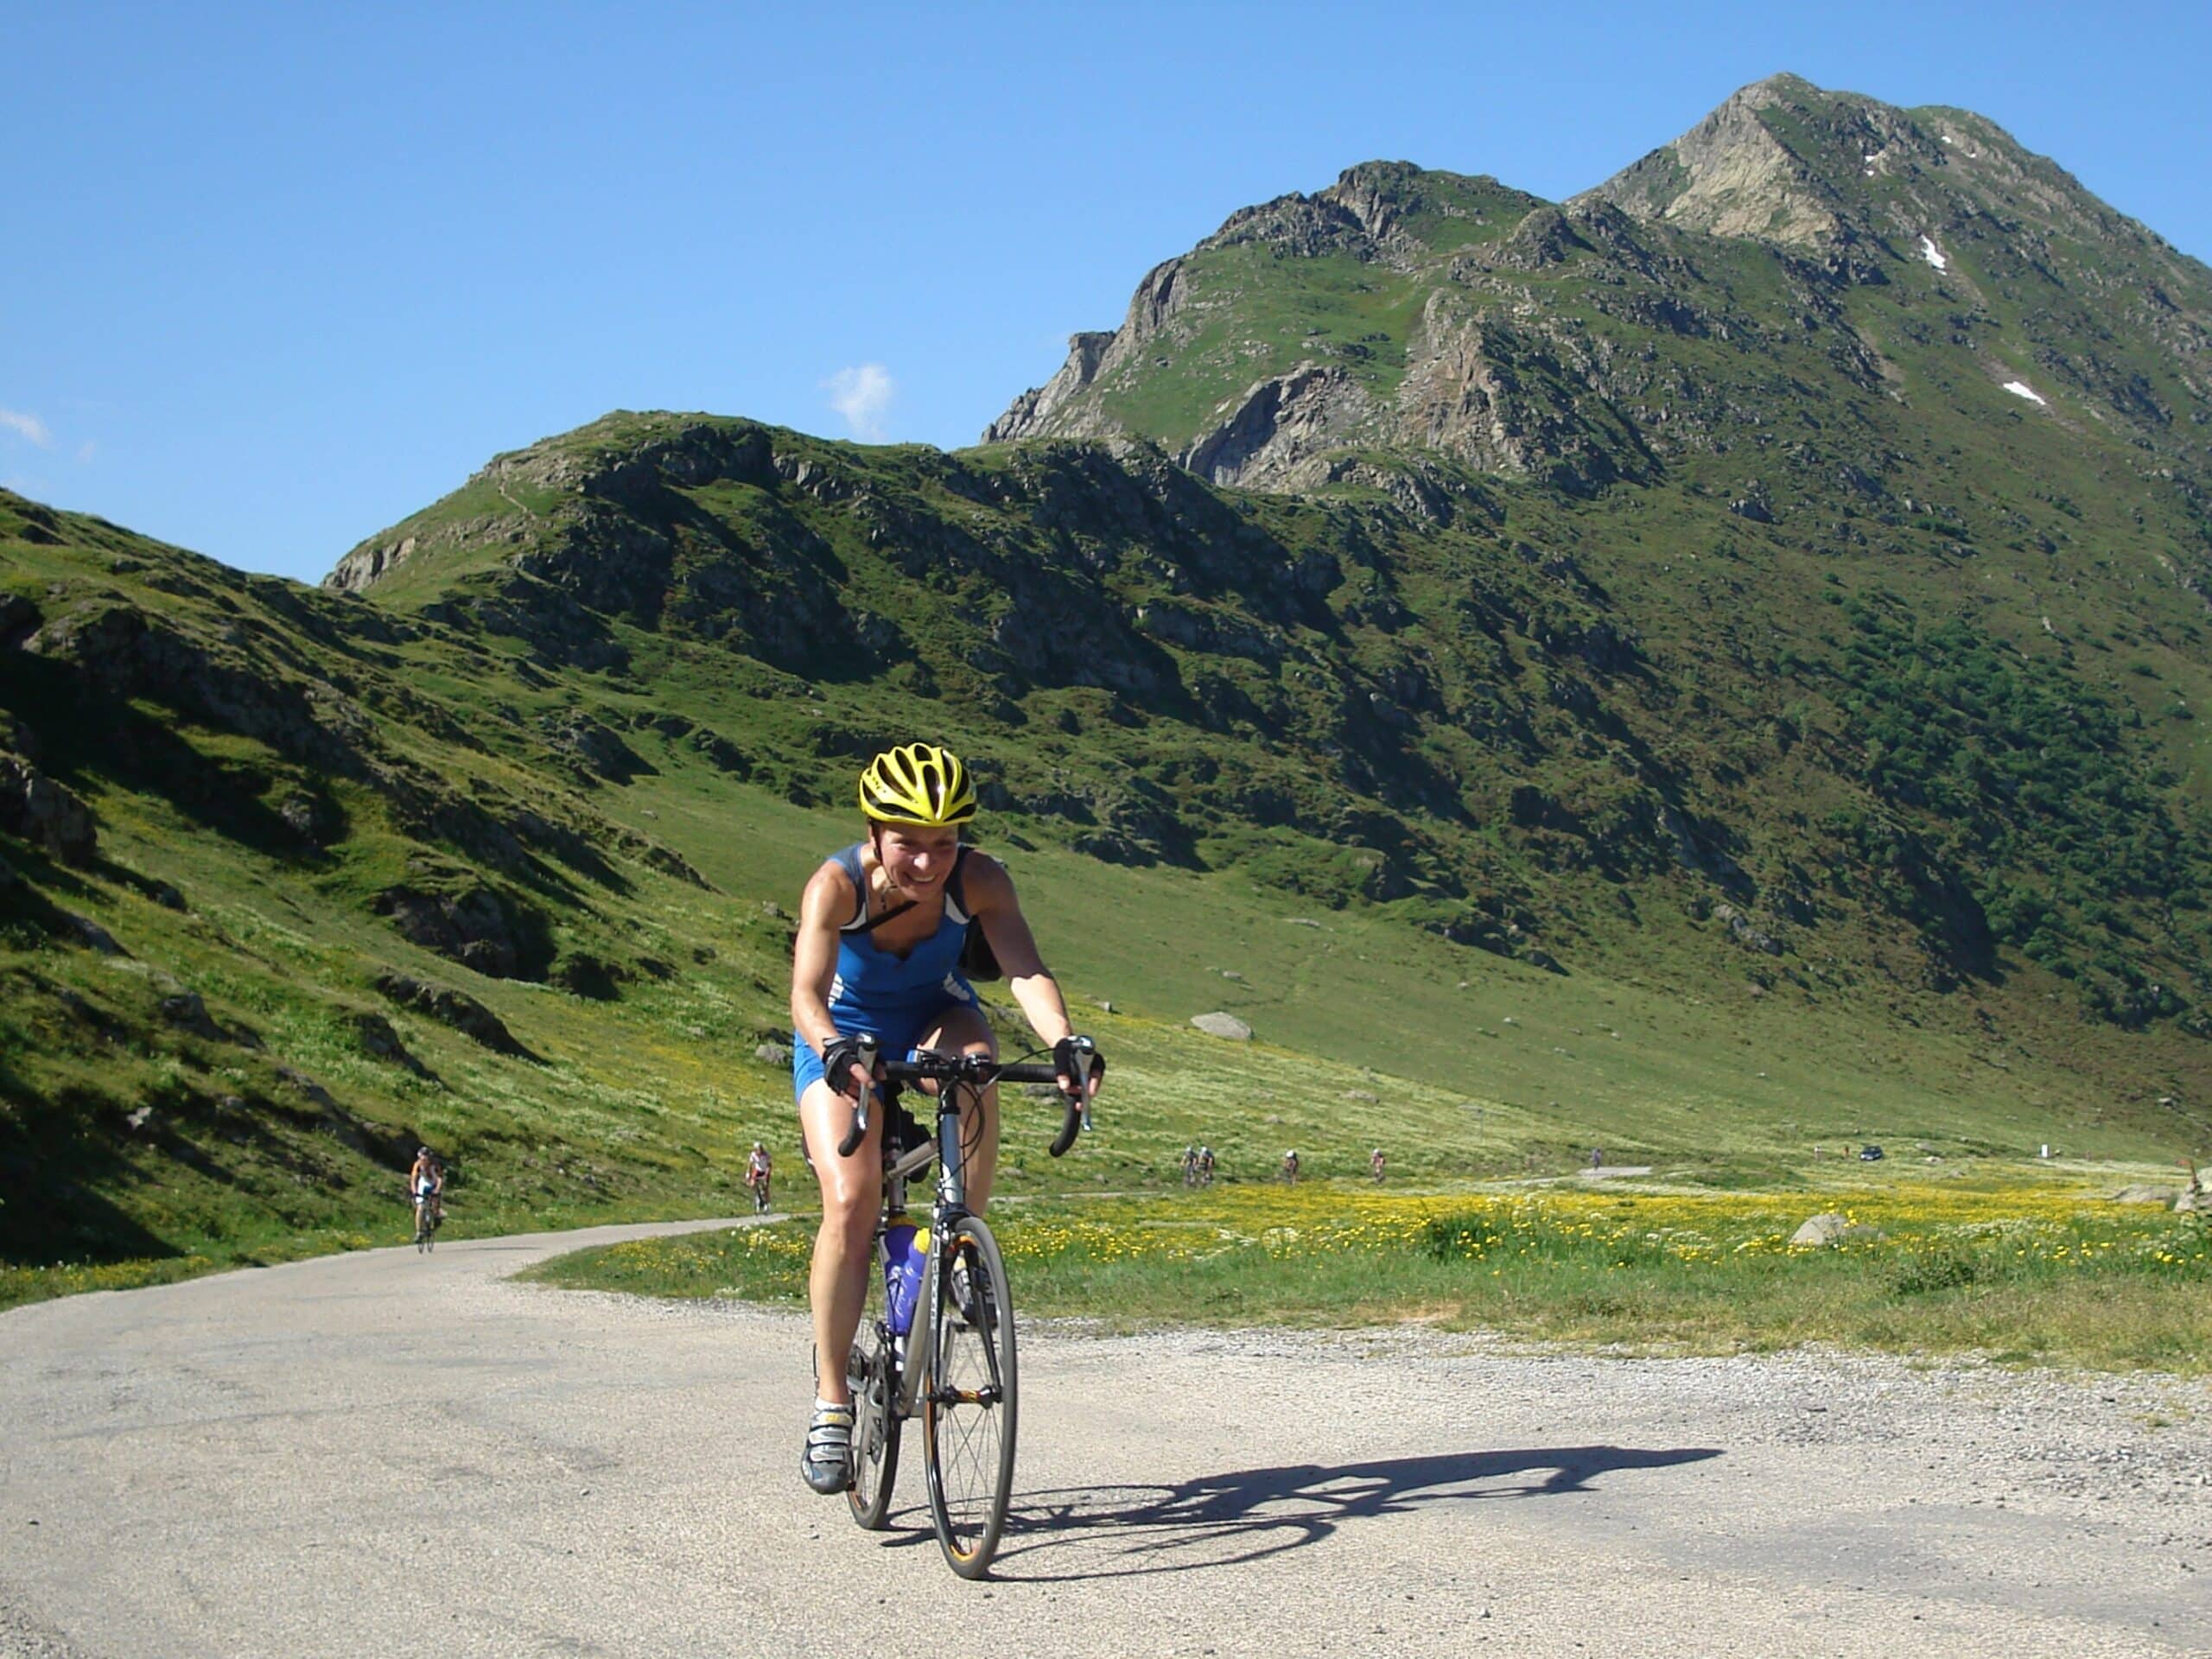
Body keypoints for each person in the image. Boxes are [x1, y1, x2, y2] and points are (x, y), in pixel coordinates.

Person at [789, 742, 1103, 1495]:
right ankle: (832, 1402)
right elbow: (805, 992)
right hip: (844, 1036)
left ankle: (961, 1246)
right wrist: (834, 1050)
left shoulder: (980, 879)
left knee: (975, 1067)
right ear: (873, 833)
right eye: (908, 845)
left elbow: (1023, 967)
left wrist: (1064, 1041)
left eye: (943, 843)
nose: (928, 864)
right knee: (851, 1201)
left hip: (934, 1015)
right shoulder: (836, 887)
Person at [408, 1146, 443, 1233]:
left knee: (435, 1202)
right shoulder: (417, 1165)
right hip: (423, 1183)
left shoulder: (435, 1165)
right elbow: (413, 1179)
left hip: (433, 1183)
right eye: (422, 1159)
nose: (424, 1162)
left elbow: (440, 1179)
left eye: (426, 1159)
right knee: (420, 1207)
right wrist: (414, 1192)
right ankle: (419, 1232)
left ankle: (436, 1216)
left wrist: (437, 1190)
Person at [746, 1141, 772, 1213]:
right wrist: (748, 1173)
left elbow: (769, 1166)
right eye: (757, 1150)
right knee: (752, 1184)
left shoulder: (766, 1155)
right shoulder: (753, 1155)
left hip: (765, 1171)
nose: (759, 1151)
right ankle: (758, 1197)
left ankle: (767, 1204)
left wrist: (766, 1176)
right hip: (757, 1170)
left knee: (765, 1187)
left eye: (760, 1149)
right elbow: (750, 1164)